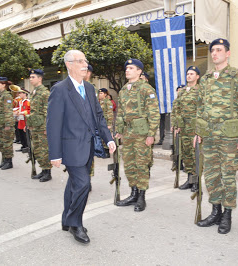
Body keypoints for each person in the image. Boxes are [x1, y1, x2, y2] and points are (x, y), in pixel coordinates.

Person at [47, 50, 115, 244]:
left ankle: (65, 220)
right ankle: (75, 223)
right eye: (80, 61)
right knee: (84, 184)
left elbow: (98, 116)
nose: (85, 64)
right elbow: (53, 124)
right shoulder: (60, 89)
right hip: (70, 148)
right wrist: (55, 153)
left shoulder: (89, 87)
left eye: (85, 60)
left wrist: (108, 138)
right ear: (69, 65)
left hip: (88, 147)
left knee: (74, 184)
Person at [194, 38, 238, 234]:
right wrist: (198, 132)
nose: (214, 53)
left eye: (219, 50)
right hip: (209, 134)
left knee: (227, 175)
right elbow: (200, 107)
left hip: (229, 135)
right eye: (212, 50)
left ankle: (227, 214)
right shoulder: (206, 79)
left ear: (227, 53)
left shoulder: (237, 77)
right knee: (211, 174)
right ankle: (215, 211)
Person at [115, 59, 160, 212]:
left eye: (131, 68)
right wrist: (119, 129)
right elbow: (120, 113)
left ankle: (141, 196)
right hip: (128, 133)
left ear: (139, 71)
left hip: (141, 133)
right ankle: (133, 193)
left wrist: (151, 134)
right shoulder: (123, 90)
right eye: (126, 67)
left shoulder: (146, 89)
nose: (127, 70)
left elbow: (154, 114)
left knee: (141, 164)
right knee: (129, 164)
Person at [175, 66, 200, 191]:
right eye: (188, 74)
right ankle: (190, 179)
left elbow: (203, 110)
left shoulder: (200, 91)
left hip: (195, 129)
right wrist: (177, 125)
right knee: (187, 155)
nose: (189, 76)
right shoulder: (182, 92)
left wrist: (200, 130)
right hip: (184, 128)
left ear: (197, 77)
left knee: (195, 155)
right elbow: (176, 108)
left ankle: (196, 181)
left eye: (192, 74)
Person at [27, 69, 52, 182]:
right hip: (35, 125)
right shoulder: (34, 92)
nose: (30, 79)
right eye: (30, 77)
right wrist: (30, 124)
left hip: (42, 126)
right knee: (36, 149)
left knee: (44, 149)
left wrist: (48, 127)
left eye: (33, 77)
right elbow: (33, 111)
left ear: (40, 78)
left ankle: (48, 172)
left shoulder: (44, 93)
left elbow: (48, 111)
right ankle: (43, 169)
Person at [0, 77, 15, 170]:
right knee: (1, 143)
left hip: (5, 124)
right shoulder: (0, 95)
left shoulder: (6, 96)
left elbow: (8, 111)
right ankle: (4, 160)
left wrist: (8, 124)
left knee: (7, 143)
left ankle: (9, 161)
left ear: (4, 85)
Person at [98, 88, 114, 157]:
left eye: (101, 93)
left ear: (105, 94)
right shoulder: (99, 102)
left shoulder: (108, 102)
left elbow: (110, 113)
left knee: (106, 137)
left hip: (106, 122)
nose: (99, 95)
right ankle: (102, 151)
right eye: (99, 93)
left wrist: (109, 124)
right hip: (100, 122)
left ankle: (107, 151)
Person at [14, 87, 30, 152]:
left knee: (25, 134)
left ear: (24, 94)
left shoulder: (28, 102)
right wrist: (17, 112)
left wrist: (22, 112)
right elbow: (19, 108)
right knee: (20, 133)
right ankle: (23, 145)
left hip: (25, 119)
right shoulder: (20, 101)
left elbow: (30, 110)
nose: (19, 94)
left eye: (20, 93)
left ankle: (27, 146)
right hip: (20, 119)